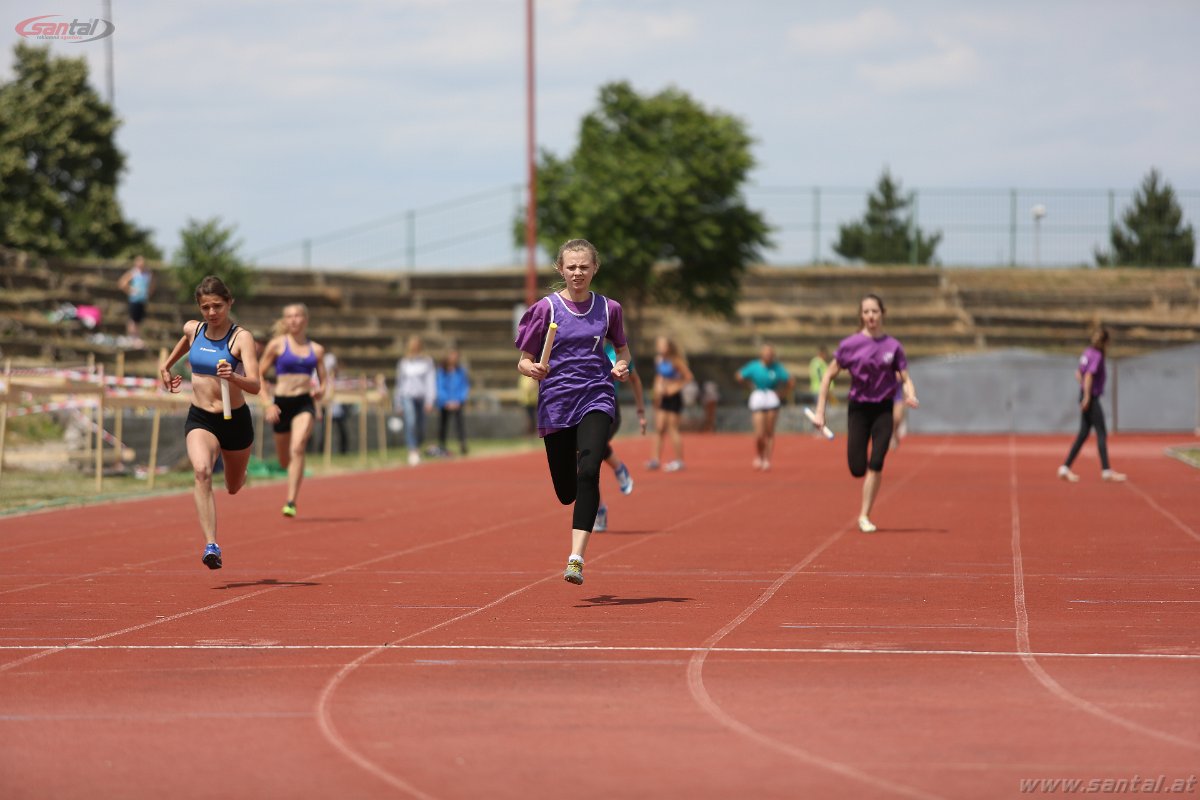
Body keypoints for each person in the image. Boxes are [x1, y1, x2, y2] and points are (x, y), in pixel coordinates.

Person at [514, 238, 636, 585]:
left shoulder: (609, 309)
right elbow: (523, 361)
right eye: (571, 267)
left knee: (589, 470)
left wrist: (621, 367)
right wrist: (533, 369)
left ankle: (576, 558)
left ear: (595, 268)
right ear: (560, 269)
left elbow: (623, 351)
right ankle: (580, 498)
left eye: (584, 266)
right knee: (567, 491)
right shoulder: (545, 310)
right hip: (557, 403)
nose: (578, 272)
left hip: (596, 396)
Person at [159, 275, 261, 569]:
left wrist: (234, 376)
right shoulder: (194, 329)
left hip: (235, 420)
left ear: (229, 303)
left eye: (217, 306)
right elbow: (185, 343)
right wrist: (166, 367)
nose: (212, 312)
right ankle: (211, 545)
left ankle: (238, 473)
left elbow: (255, 385)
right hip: (201, 417)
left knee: (233, 486)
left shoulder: (241, 338)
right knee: (202, 471)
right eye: (205, 307)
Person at [812, 294, 918, 534]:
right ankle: (864, 506)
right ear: (861, 316)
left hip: (883, 409)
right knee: (857, 468)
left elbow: (905, 378)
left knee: (877, 462)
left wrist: (910, 394)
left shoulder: (893, 346)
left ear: (882, 314)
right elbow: (828, 376)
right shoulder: (850, 345)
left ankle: (864, 515)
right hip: (859, 409)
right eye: (866, 312)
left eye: (875, 311)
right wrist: (820, 412)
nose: (871, 316)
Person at [259, 303, 327, 517]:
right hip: (281, 404)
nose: (294, 320)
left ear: (305, 319)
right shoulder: (277, 345)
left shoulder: (316, 350)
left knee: (297, 448)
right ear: (285, 320)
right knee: (284, 460)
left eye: (297, 316)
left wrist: (320, 391)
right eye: (289, 316)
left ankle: (291, 501)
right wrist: (267, 404)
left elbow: (324, 381)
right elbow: (258, 375)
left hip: (304, 403)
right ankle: (292, 472)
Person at [1058, 327, 1126, 483]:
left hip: (1085, 394)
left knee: (1083, 433)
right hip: (1091, 397)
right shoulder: (1097, 355)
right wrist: (1088, 396)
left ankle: (1065, 467)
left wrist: (1083, 390)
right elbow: (1089, 375)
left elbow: (1079, 373)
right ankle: (1106, 470)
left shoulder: (1087, 353)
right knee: (1101, 432)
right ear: (1105, 342)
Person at [594, 339, 647, 532]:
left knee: (589, 456)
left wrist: (641, 412)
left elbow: (635, 380)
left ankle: (599, 511)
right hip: (584, 407)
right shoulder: (583, 345)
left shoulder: (617, 352)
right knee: (585, 458)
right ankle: (617, 469)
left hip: (609, 409)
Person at [735, 344, 795, 471]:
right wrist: (748, 385)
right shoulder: (754, 366)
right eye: (766, 353)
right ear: (761, 355)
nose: (768, 356)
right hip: (758, 397)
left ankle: (767, 459)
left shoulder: (777, 368)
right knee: (759, 434)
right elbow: (739, 376)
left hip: (771, 397)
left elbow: (790, 381)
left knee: (769, 432)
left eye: (770, 354)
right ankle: (759, 455)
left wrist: (782, 393)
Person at [647, 336, 692, 472]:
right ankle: (655, 459)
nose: (660, 347)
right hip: (663, 397)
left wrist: (674, 388)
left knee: (673, 429)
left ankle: (679, 461)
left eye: (662, 345)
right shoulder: (659, 360)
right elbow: (659, 376)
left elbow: (688, 377)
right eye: (658, 345)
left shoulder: (676, 361)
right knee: (659, 428)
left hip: (674, 398)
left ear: (669, 347)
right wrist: (656, 391)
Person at [394, 335, 436, 466]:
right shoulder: (404, 362)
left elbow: (430, 381)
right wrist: (398, 402)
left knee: (421, 425)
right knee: (410, 421)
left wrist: (430, 400)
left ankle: (418, 445)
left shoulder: (427, 361)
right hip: (407, 396)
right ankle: (412, 449)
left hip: (421, 396)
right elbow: (399, 383)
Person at [435, 348, 470, 456]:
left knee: (460, 424)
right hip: (445, 403)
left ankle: (462, 443)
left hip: (457, 402)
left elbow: (464, 386)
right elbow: (440, 387)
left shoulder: (460, 371)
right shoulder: (442, 371)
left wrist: (459, 400)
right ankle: (442, 445)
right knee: (443, 424)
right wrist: (446, 401)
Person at [117, 255, 154, 346]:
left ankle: (137, 337)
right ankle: (132, 338)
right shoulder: (133, 272)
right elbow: (122, 283)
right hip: (134, 300)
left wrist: (148, 293)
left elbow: (152, 285)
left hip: (142, 300)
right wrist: (131, 290)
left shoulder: (147, 274)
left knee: (139, 320)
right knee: (133, 319)